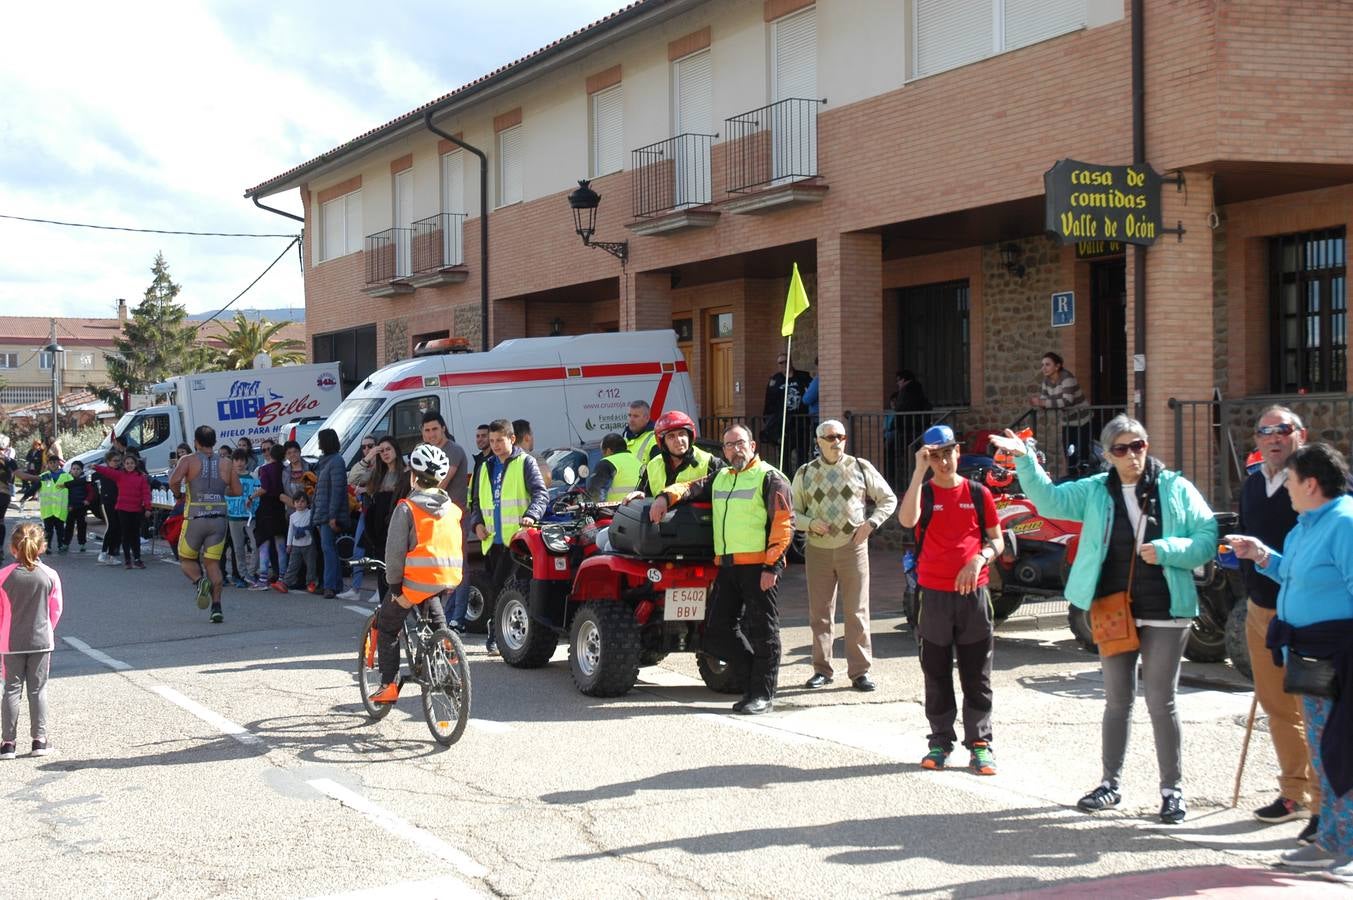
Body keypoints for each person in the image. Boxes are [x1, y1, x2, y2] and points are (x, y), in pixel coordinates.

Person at [992, 415, 1216, 822]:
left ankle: (1172, 790)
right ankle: (1110, 783)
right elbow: (1049, 501)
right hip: (1114, 608)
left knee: (1161, 702)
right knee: (1117, 702)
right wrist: (1025, 460)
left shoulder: (1176, 488)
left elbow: (1206, 535)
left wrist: (1169, 550)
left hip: (1167, 609)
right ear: (1107, 454)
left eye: (1139, 446)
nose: (1132, 456)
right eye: (1121, 449)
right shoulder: (1095, 491)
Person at [1230, 443, 1353, 880]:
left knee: (1344, 753)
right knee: (1325, 753)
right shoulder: (1307, 526)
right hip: (1312, 656)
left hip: (1341, 657)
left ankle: (1347, 849)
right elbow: (1294, 574)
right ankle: (1332, 841)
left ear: (1312, 483)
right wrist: (1260, 555)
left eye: (1292, 482)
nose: (1287, 491)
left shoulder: (1344, 524)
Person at [650, 424, 794, 715]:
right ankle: (756, 677)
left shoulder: (770, 477)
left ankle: (762, 695)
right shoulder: (722, 476)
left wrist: (772, 566)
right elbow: (690, 487)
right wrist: (665, 497)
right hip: (727, 568)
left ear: (752, 446)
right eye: (728, 445)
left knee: (764, 633)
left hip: (758, 568)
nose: (733, 449)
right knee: (715, 631)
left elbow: (784, 526)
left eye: (739, 443)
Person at [1236, 406, 1321, 842]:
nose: (1273, 438)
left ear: (1299, 435)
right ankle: (1294, 794)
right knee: (1277, 707)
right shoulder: (1252, 484)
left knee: (1319, 710)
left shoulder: (1318, 486)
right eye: (1264, 431)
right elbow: (1246, 532)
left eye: (1282, 430)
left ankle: (1327, 805)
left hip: (1308, 616)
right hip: (1260, 610)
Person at [899, 424, 1004, 774]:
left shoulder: (978, 493)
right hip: (934, 595)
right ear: (928, 458)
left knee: (977, 674)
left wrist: (979, 559)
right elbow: (906, 519)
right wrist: (918, 472)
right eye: (936, 456)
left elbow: (997, 540)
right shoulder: (924, 493)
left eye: (949, 453)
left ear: (958, 452)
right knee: (936, 672)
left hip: (974, 596)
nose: (944, 461)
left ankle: (980, 744)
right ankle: (940, 741)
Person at [793, 419, 897, 692]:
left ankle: (860, 672)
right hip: (818, 550)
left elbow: (888, 498)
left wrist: (871, 524)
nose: (836, 441)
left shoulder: (860, 467)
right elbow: (792, 513)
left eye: (840, 436)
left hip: (853, 548)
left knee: (857, 612)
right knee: (820, 614)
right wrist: (809, 524)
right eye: (829, 437)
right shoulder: (805, 472)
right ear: (818, 442)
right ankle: (822, 670)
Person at [368, 444, 462, 704]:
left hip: (415, 581)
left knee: (387, 624)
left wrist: (394, 585)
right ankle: (449, 652)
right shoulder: (452, 509)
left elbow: (395, 552)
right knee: (436, 618)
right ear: (440, 478)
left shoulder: (407, 507)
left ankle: (388, 686)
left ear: (413, 476)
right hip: (448, 577)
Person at [469, 419, 548, 656]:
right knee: (496, 590)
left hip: (518, 541)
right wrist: (478, 524)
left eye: (499, 440)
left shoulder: (526, 462)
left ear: (512, 439)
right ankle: (497, 635)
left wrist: (531, 515)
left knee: (511, 590)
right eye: (491, 441)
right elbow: (475, 503)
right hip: (492, 540)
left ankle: (507, 638)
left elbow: (541, 495)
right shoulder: (485, 466)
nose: (494, 445)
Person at [0, 523, 63, 759]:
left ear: (12, 548)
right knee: (38, 690)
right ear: (42, 547)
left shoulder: (3, 576)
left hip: (10, 641)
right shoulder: (50, 575)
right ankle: (39, 741)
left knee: (11, 690)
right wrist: (46, 629)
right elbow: (55, 610)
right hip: (41, 640)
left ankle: (8, 744)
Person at [169, 425, 243, 624]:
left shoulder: (188, 460)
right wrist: (219, 493)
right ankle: (216, 607)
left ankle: (200, 582)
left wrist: (179, 494)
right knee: (213, 564)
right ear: (214, 442)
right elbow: (237, 491)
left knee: (186, 558)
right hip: (219, 518)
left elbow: (173, 480)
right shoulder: (226, 462)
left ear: (196, 442)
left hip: (195, 517)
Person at [420, 412, 471, 624]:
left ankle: (457, 619)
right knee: (438, 567)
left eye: (435, 429)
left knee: (459, 566)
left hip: (455, 517)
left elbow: (438, 483)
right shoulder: (425, 452)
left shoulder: (454, 450)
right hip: (435, 519)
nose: (431, 434)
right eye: (427, 430)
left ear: (443, 428)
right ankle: (441, 617)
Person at [1030, 351, 1093, 476]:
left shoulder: (1067, 378)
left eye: (1047, 364)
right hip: (1067, 421)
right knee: (1069, 453)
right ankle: (1072, 481)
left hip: (1082, 420)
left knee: (1083, 453)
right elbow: (1044, 402)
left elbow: (1067, 401)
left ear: (1057, 366)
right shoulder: (1046, 382)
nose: (1044, 368)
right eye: (1042, 365)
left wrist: (1042, 402)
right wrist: (1040, 403)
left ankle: (1084, 479)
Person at [360, 436, 409, 600]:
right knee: (382, 570)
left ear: (396, 449)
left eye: (388, 449)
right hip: (379, 529)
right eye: (382, 451)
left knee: (397, 572)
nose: (385, 453)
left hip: (397, 527)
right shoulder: (377, 474)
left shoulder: (406, 473)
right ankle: (384, 607)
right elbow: (353, 478)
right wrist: (370, 455)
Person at [637, 410, 723, 496]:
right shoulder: (652, 465)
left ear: (690, 437)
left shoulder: (710, 463)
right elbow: (644, 495)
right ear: (663, 442)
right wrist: (639, 495)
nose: (678, 440)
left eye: (682, 434)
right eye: (671, 436)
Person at [92, 453, 152, 569]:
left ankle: (137, 558)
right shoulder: (120, 475)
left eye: (132, 463)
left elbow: (146, 494)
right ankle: (127, 560)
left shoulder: (141, 477)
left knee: (135, 535)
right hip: (122, 509)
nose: (129, 465)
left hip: (136, 509)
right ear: (124, 465)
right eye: (127, 463)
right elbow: (108, 472)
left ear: (136, 464)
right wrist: (96, 467)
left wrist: (148, 507)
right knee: (125, 535)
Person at [311, 428, 350, 599]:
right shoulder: (325, 461)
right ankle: (335, 584)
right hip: (322, 512)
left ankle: (330, 586)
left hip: (328, 514)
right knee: (328, 549)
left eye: (320, 440)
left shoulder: (336, 461)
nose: (319, 444)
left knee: (328, 549)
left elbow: (337, 490)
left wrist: (333, 515)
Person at [761, 354, 812, 469]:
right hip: (783, 424)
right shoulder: (775, 380)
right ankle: (785, 480)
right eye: (781, 363)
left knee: (802, 454)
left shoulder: (803, 377)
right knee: (784, 455)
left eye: (786, 361)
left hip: (801, 423)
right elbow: (769, 401)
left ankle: (801, 480)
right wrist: (768, 420)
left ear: (791, 362)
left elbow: (811, 392)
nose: (784, 365)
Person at [15, 456, 71, 554]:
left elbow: (73, 490)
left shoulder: (66, 476)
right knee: (48, 530)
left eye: (55, 462)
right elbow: (34, 487)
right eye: (51, 463)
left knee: (60, 529)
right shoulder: (45, 476)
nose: (53, 465)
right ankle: (47, 546)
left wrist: (73, 503)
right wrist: (25, 496)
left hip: (60, 509)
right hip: (48, 509)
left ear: (59, 463)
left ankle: (61, 545)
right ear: (48, 464)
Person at [885, 370, 933, 484]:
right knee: (909, 454)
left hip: (907, 429)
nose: (897, 383)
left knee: (891, 450)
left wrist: (895, 426)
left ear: (904, 379)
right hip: (913, 428)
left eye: (898, 380)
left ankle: (892, 479)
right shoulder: (917, 390)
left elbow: (901, 408)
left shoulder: (907, 391)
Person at [252, 444, 289, 589]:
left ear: (271, 455)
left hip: (266, 508)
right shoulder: (285, 469)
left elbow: (264, 488)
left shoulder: (265, 469)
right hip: (279, 507)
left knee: (264, 544)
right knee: (280, 545)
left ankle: (263, 579)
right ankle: (282, 576)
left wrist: (251, 497)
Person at [225, 449, 260, 589]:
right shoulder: (229, 479)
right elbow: (225, 497)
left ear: (246, 461)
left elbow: (258, 497)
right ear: (232, 462)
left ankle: (251, 572)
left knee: (255, 544)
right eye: (236, 460)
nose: (239, 463)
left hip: (250, 517)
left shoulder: (253, 479)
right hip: (233, 517)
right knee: (238, 548)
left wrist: (252, 507)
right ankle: (243, 574)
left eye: (242, 460)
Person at [280, 491, 318, 593]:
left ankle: (311, 583)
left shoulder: (310, 513)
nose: (300, 504)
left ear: (307, 503)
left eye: (302, 501)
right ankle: (285, 583)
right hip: (296, 545)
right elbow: (290, 531)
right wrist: (289, 544)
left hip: (308, 544)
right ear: (293, 503)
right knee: (293, 565)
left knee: (311, 565)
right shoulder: (292, 516)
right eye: (297, 501)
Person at [588, 433, 641, 502]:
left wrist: (598, 510)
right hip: (638, 508)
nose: (603, 456)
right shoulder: (637, 461)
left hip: (615, 509)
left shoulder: (606, 462)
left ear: (609, 450)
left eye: (603, 452)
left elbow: (595, 491)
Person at [95, 451, 123, 565]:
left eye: (118, 461)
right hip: (107, 503)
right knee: (111, 526)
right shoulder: (103, 472)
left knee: (118, 528)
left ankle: (113, 554)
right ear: (108, 462)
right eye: (114, 461)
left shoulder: (121, 472)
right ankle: (103, 552)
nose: (117, 463)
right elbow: (84, 480)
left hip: (119, 502)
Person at [512, 418, 552, 488]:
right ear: (527, 437)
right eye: (532, 434)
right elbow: (546, 478)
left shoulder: (502, 458)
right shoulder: (533, 457)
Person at [62, 460, 92, 553]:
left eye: (78, 469)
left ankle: (82, 543)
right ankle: (66, 543)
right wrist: (68, 505)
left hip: (81, 506)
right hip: (71, 507)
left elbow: (91, 491)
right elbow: (64, 494)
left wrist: (88, 500)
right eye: (74, 469)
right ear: (70, 470)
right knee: (69, 526)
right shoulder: (67, 481)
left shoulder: (85, 480)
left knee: (81, 526)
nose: (75, 471)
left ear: (82, 470)